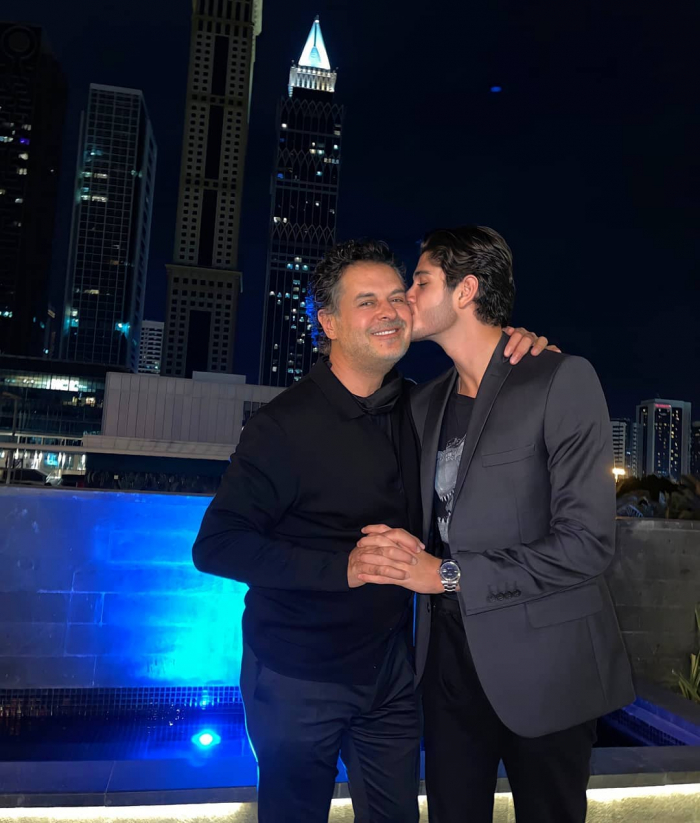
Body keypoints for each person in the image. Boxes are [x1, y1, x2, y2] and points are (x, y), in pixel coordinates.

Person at [192, 238, 548, 823]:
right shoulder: (283, 426)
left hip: (391, 675)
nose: (389, 311)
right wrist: (345, 568)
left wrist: (522, 349)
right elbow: (217, 545)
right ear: (329, 322)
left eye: (397, 296)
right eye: (366, 301)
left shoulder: (423, 409)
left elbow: (488, 389)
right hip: (295, 674)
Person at [357, 226, 635, 823]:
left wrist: (446, 575)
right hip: (447, 668)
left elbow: (587, 544)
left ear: (466, 291)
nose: (407, 295)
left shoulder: (559, 379)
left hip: (548, 665)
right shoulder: (421, 403)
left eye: (421, 281)